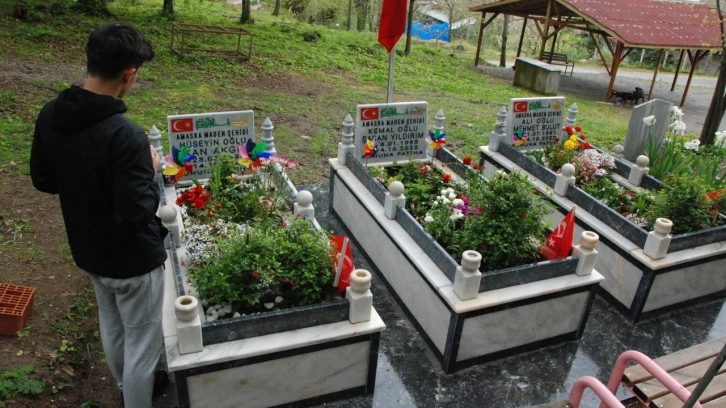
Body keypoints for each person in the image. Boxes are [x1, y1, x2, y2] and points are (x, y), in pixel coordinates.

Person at [30, 22, 168, 408]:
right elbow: (136, 212)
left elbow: (43, 179)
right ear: (129, 74)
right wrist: (151, 172)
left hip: (88, 249)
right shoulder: (125, 135)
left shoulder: (50, 115)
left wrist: (84, 184)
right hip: (134, 262)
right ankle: (136, 399)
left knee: (112, 322)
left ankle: (125, 388)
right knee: (142, 342)